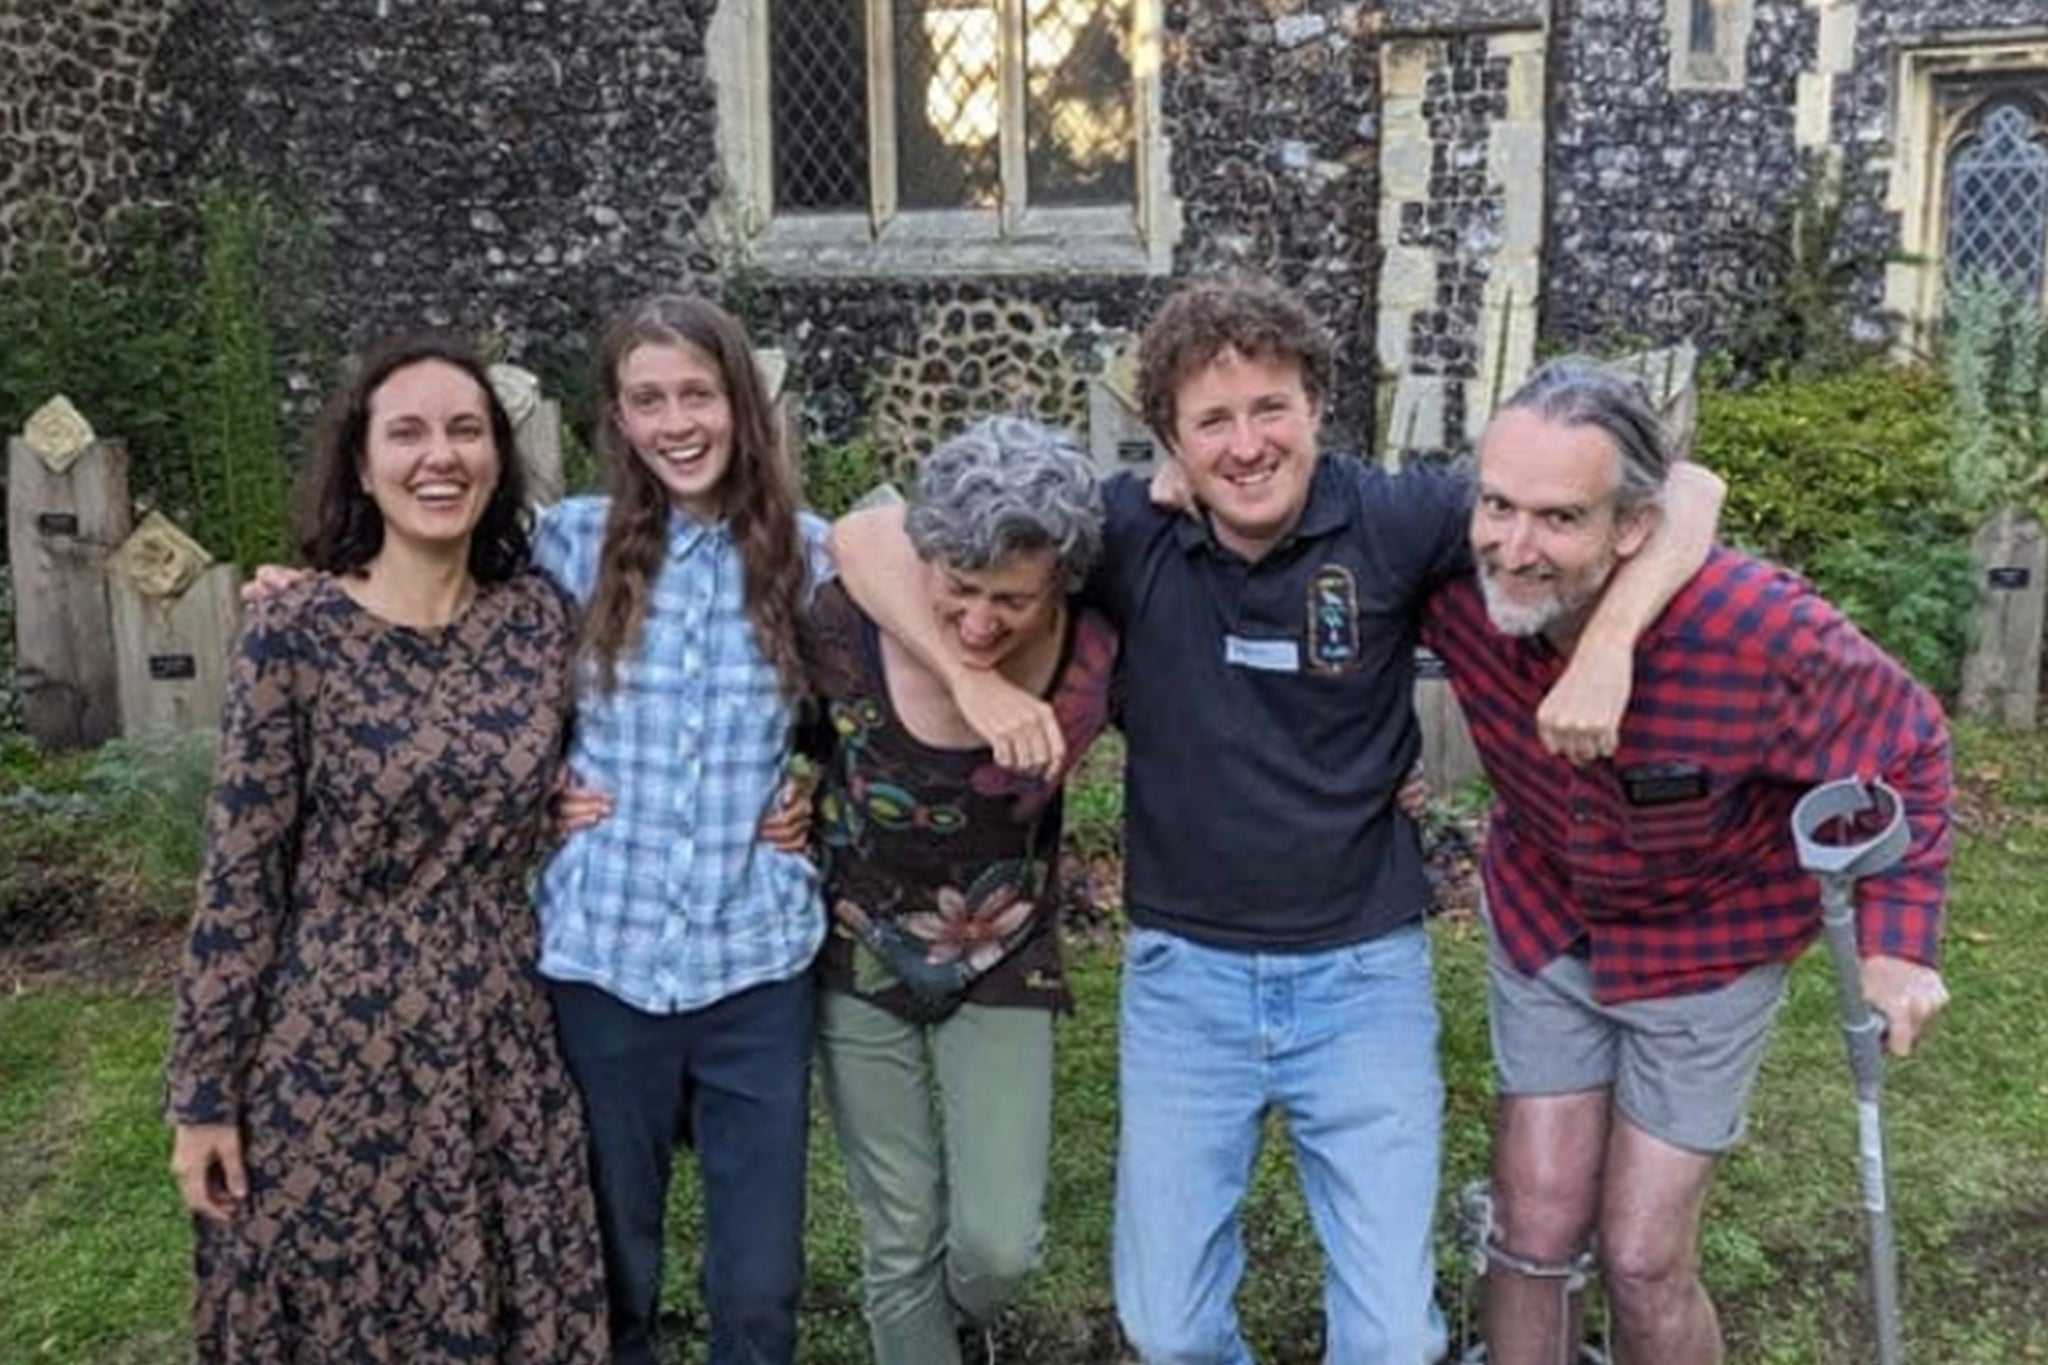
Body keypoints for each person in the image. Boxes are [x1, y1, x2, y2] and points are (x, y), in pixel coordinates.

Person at [830, 277, 1724, 1364]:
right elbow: (870, 533)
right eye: (1211, 420)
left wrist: (1612, 643)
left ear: (1317, 408)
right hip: (1182, 980)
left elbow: (1684, 487)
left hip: (1360, 978)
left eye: (1271, 409)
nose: (1245, 443)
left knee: (1392, 1341)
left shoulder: (1392, 518)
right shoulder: (1122, 529)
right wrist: (972, 690)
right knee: (1163, 1331)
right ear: (1168, 439)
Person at [1417, 360, 1951, 1365]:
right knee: (1529, 1234)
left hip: (1707, 951)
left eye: (1557, 518)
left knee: (1641, 1256)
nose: (1512, 546)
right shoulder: (1459, 580)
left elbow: (1908, 746)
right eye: (1495, 505)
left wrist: (1891, 945)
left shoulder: (1753, 630)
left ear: (1631, 529)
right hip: (1546, 924)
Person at [166, 336, 610, 1362]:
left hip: (497, 1031)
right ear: (363, 466)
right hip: (329, 1039)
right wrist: (203, 1099)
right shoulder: (296, 634)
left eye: (463, 431)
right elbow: (240, 876)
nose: (438, 457)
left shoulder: (539, 623)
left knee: (503, 1288)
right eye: (404, 433)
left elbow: (642, 730)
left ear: (497, 459)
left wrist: (792, 794)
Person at [535, 293, 828, 1365]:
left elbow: (897, 686)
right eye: (647, 399)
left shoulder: (808, 557)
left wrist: (823, 807)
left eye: (696, 394)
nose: (676, 422)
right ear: (617, 419)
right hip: (601, 959)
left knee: (758, 1288)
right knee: (613, 1268)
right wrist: (534, 792)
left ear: (741, 405)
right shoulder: (562, 548)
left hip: (753, 964)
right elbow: (440, 653)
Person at [806, 416, 1117, 1364]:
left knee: (996, 1247)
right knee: (899, 1239)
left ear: (1059, 579)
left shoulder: (1097, 655)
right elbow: (855, 537)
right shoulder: (841, 625)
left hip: (1003, 958)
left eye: (1012, 600)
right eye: (960, 589)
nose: (981, 622)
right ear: (925, 557)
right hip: (856, 954)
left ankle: (955, 1330)